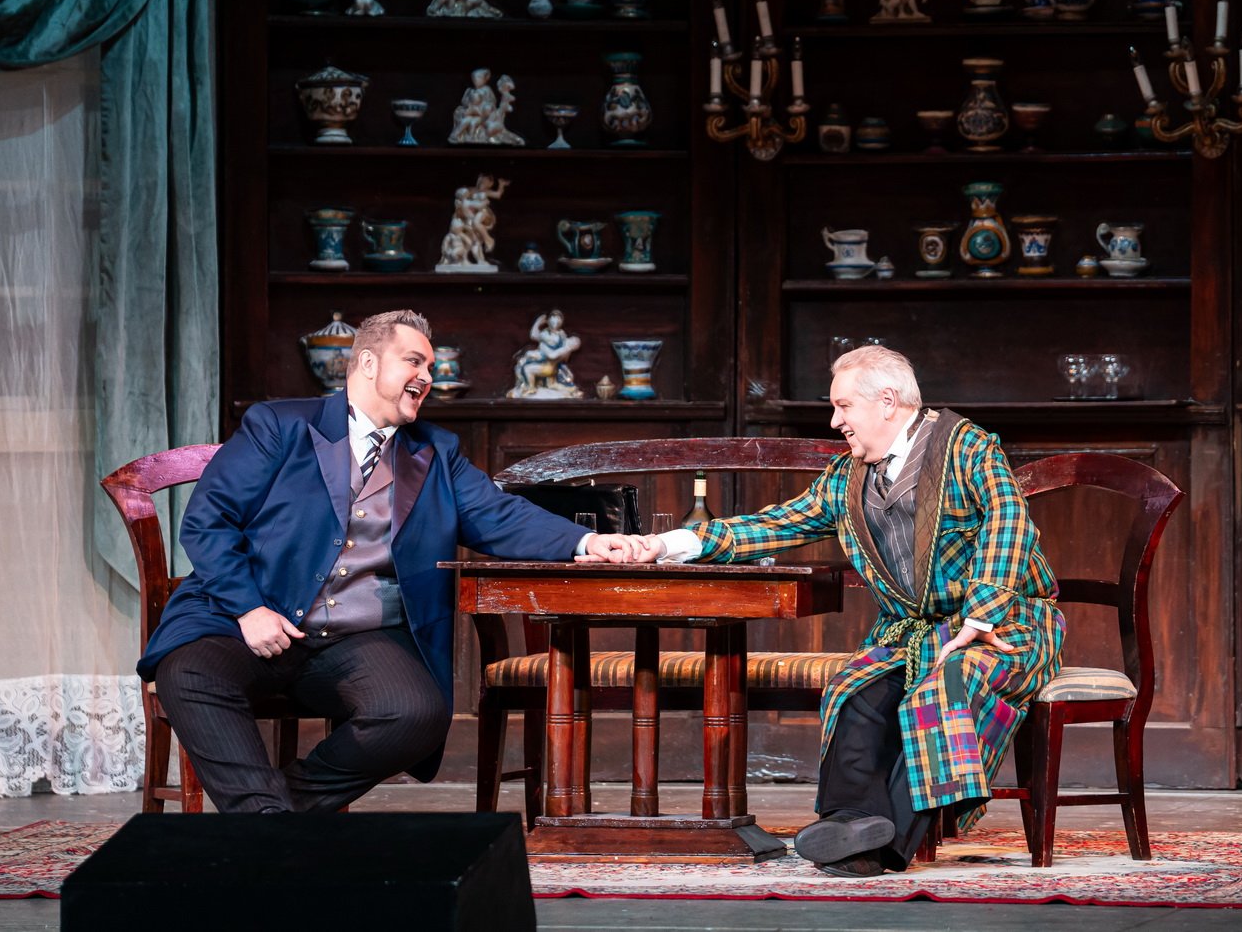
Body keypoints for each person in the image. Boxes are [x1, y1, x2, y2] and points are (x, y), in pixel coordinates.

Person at [137, 309, 648, 813]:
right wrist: (249, 609)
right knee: (189, 675)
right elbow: (208, 521)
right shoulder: (280, 425)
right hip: (245, 620)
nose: (427, 377)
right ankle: (268, 822)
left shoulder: (436, 452)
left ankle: (271, 819)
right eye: (414, 362)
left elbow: (498, 516)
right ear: (367, 363)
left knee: (416, 714)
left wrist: (585, 541)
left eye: (430, 368)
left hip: (354, 638)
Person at [647, 345, 1062, 876]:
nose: (835, 420)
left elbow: (1010, 521)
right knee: (857, 688)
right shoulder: (847, 476)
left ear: (887, 401)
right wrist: (667, 545)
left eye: (843, 406)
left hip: (1006, 626)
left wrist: (981, 617)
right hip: (913, 633)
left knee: (948, 684)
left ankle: (882, 846)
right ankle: (847, 823)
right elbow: (778, 524)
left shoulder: (966, 447)